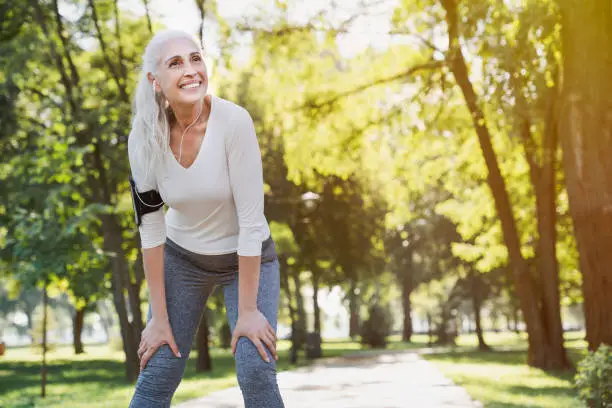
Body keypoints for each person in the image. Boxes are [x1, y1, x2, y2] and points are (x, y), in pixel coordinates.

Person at [126, 29, 285, 408]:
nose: (191, 70)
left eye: (196, 58)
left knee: (255, 367)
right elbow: (150, 228)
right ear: (155, 81)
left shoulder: (234, 122)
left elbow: (251, 221)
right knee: (157, 369)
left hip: (249, 259)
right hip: (183, 260)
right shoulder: (143, 138)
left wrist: (247, 312)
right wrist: (158, 318)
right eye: (176, 63)